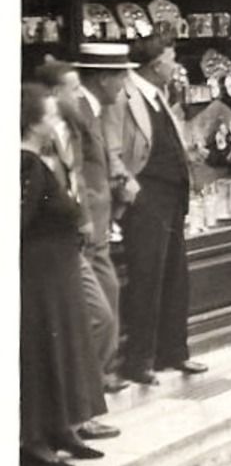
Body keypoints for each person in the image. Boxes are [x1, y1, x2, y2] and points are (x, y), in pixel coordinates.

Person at [105, 28, 205, 384]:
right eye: (170, 58)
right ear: (152, 64)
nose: (175, 64)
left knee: (175, 276)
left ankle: (174, 353)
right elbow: (111, 150)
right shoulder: (124, 96)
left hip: (173, 197)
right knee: (147, 277)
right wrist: (130, 190)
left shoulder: (159, 93)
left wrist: (189, 156)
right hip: (146, 199)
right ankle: (138, 362)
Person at [20, 84, 110, 466]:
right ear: (33, 121)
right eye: (50, 115)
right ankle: (35, 440)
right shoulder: (23, 164)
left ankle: (61, 429)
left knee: (65, 350)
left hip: (60, 269)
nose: (56, 121)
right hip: (39, 275)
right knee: (42, 353)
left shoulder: (41, 158)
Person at [34, 59, 123, 441]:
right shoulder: (37, 144)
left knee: (98, 314)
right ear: (53, 96)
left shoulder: (67, 128)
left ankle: (81, 406)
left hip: (74, 237)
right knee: (92, 317)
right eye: (71, 89)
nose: (77, 95)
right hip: (58, 247)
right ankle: (74, 411)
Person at [71, 44, 142, 397]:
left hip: (98, 226)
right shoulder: (81, 110)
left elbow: (97, 162)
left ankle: (101, 373)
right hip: (87, 229)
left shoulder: (93, 109)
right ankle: (90, 382)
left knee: (109, 293)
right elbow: (75, 173)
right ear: (102, 78)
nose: (124, 83)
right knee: (96, 309)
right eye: (120, 75)